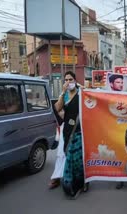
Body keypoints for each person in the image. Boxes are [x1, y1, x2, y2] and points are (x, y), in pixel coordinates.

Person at [54, 71, 88, 199]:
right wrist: (62, 92)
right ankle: (73, 183)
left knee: (77, 160)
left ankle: (80, 183)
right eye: (66, 80)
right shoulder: (65, 96)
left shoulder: (81, 94)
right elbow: (57, 108)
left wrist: (83, 88)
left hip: (79, 131)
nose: (68, 82)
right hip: (67, 132)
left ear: (75, 80)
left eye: (71, 79)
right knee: (69, 157)